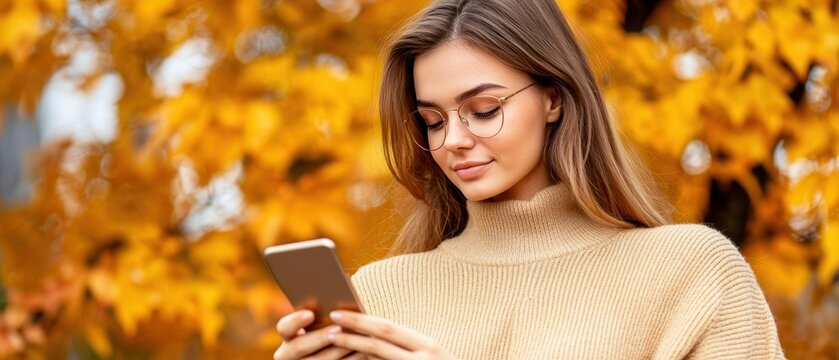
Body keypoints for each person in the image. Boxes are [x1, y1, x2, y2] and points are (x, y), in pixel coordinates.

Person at [274, 0, 785, 358]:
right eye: (432, 121)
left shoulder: (690, 273)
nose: (452, 139)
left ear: (554, 98)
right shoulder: (381, 296)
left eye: (482, 109)